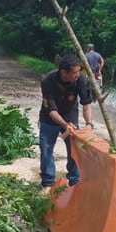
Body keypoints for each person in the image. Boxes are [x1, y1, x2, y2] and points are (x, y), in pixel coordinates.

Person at [39, 53, 94, 190]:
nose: (78, 74)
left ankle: (74, 181)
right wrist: (64, 125)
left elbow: (86, 103)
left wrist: (89, 124)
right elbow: (51, 109)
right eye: (75, 72)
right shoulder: (47, 81)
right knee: (46, 149)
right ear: (64, 72)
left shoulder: (81, 79)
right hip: (49, 118)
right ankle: (48, 182)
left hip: (70, 115)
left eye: (79, 71)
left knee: (73, 149)